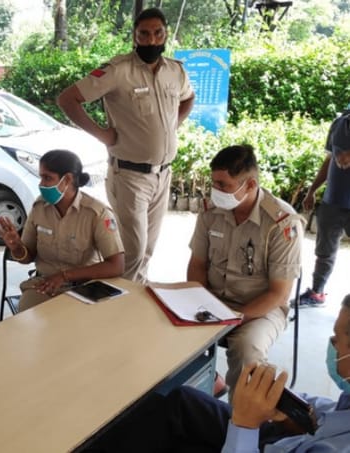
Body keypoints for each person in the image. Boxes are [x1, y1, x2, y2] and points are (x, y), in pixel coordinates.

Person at [93, 293, 350, 452]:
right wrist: (287, 414)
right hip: (285, 440)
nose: (332, 345)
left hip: (260, 442)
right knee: (181, 401)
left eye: (337, 339)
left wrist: (246, 425)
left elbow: (278, 292)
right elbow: (325, 416)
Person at [56, 7, 195, 283]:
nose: (151, 40)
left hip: (163, 174)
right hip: (130, 177)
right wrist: (102, 134)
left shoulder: (175, 71)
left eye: (158, 33)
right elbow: (67, 99)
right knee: (132, 252)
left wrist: (172, 126)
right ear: (134, 36)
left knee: (148, 251)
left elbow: (188, 98)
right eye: (144, 34)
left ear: (166, 34)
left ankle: (135, 298)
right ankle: (118, 303)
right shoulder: (118, 71)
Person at [187, 144, 303, 399]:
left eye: (223, 185)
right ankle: (207, 385)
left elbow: (278, 294)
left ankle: (240, 418)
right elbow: (197, 265)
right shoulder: (210, 212)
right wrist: (198, 302)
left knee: (247, 351)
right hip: (213, 302)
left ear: (250, 185)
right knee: (170, 329)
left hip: (261, 309)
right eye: (214, 183)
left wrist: (234, 318)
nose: (216, 191)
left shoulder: (282, 223)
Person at [0, 149, 125, 311]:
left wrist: (65, 276)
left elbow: (116, 266)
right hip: (45, 285)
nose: (41, 184)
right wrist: (16, 246)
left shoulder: (96, 213)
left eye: (47, 178)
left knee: (81, 322)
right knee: (30, 317)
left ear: (67, 179)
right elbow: (27, 257)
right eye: (41, 177)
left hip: (84, 287)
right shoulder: (39, 208)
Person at [294, 110, 350, 307]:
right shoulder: (339, 123)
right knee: (324, 252)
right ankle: (317, 293)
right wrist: (312, 190)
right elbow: (329, 160)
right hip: (332, 202)